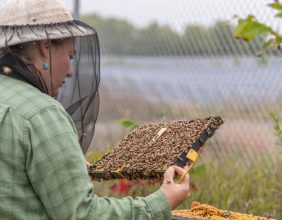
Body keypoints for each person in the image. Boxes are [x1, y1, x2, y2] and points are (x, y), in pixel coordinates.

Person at [0, 0, 190, 219]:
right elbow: (83, 215)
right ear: (44, 47)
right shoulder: (42, 114)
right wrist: (162, 201)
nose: (71, 71)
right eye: (70, 56)